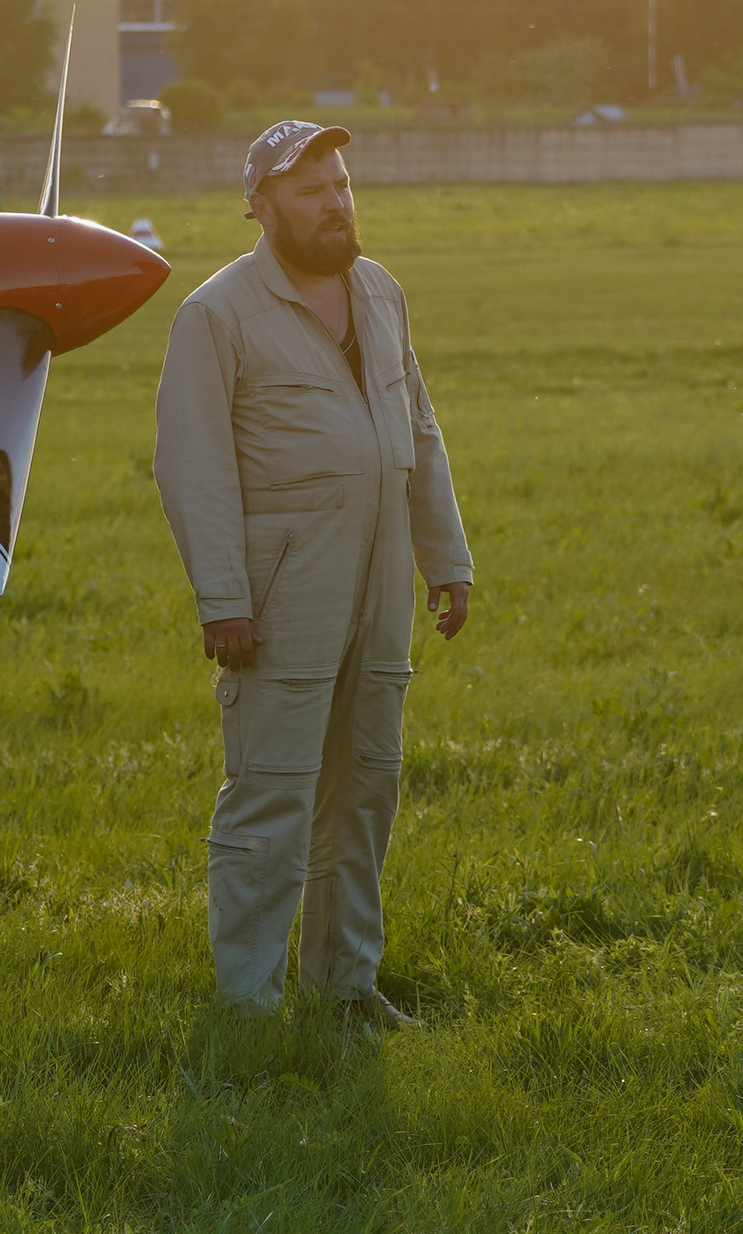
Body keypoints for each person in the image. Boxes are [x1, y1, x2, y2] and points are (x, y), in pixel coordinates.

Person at [153, 120, 473, 1026]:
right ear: (259, 206)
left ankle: (346, 986)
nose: (334, 202)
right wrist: (223, 599)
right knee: (272, 799)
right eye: (310, 190)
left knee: (365, 789)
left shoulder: (379, 292)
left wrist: (443, 556)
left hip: (378, 594)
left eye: (341, 185)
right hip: (279, 597)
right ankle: (248, 1005)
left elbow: (419, 433)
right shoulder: (215, 314)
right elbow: (193, 467)